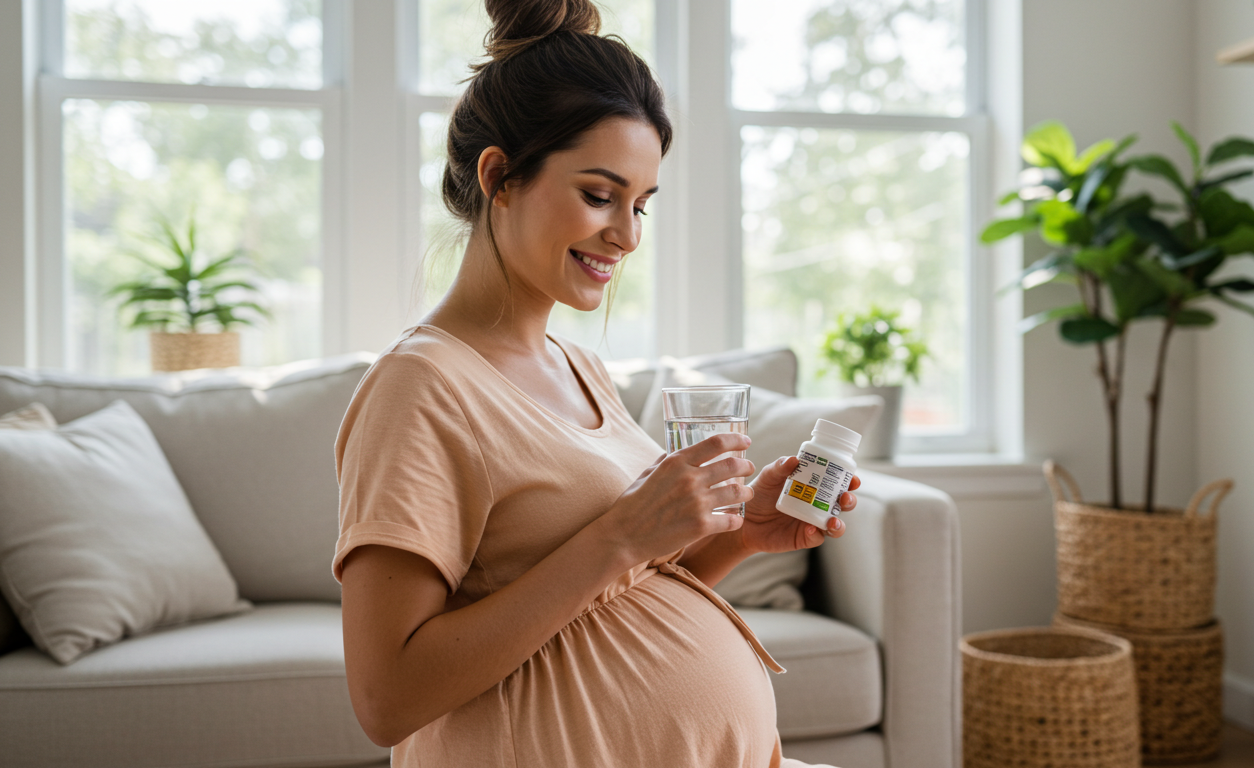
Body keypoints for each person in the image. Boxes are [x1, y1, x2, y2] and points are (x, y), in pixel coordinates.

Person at [332, 1, 861, 765]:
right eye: (598, 194)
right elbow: (387, 698)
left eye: (641, 204)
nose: (627, 234)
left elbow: (619, 588)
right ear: (499, 176)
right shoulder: (420, 387)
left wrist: (743, 532)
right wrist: (622, 534)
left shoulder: (577, 366)